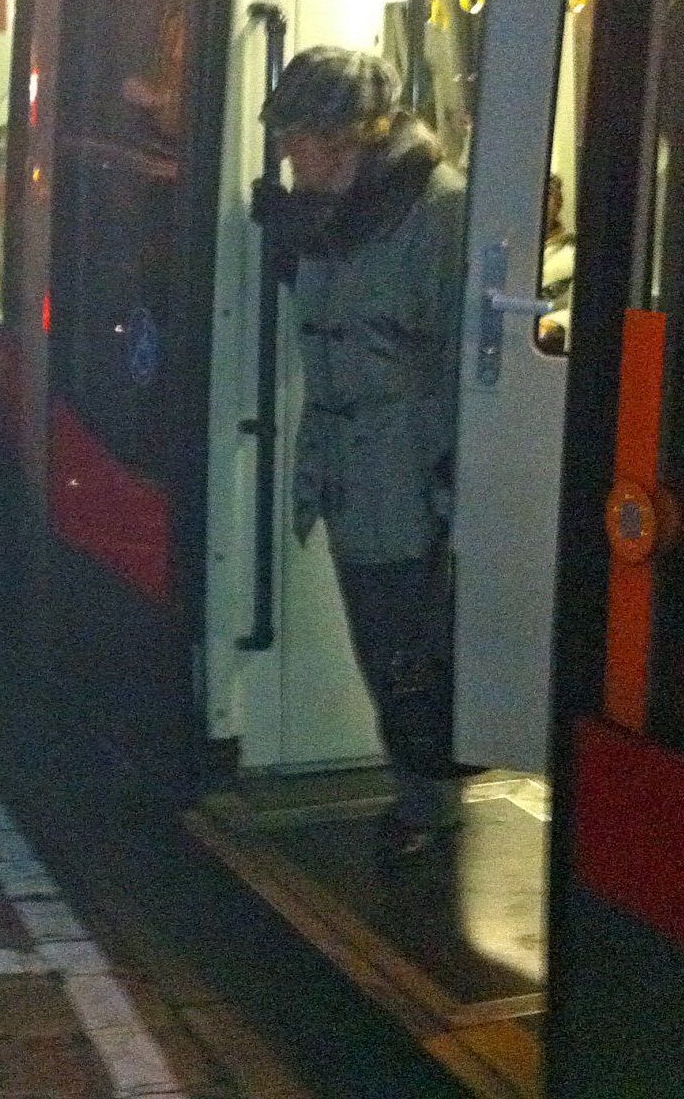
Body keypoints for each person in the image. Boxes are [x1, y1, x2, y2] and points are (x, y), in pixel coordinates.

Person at [261, 45, 468, 859]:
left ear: (345, 136)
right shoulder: (335, 212)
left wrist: (454, 482)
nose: (285, 154)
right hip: (349, 463)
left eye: (294, 136)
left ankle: (430, 802)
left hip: (406, 465)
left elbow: (459, 353)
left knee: (411, 645)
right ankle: (419, 787)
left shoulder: (439, 212)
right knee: (381, 641)